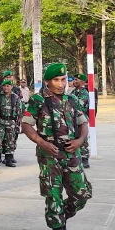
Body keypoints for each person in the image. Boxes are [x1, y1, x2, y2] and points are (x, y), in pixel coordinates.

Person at [22, 63, 92, 230]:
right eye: (56, 80)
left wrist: (80, 140)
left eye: (63, 80)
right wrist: (42, 143)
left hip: (72, 154)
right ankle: (57, 223)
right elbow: (26, 124)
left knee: (82, 195)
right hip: (49, 157)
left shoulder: (72, 99)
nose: (61, 84)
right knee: (53, 197)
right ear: (47, 82)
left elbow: (83, 123)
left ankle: (60, 216)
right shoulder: (37, 100)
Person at [0, 80, 22, 167]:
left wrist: (19, 120)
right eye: (4, 86)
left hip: (11, 122)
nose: (6, 88)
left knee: (10, 140)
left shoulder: (15, 97)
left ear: (11, 87)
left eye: (8, 86)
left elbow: (19, 109)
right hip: (0, 121)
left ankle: (8, 159)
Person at [71, 73, 91, 169]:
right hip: (73, 119)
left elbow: (79, 105)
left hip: (81, 119)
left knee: (83, 138)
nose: (74, 81)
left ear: (82, 82)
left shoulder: (84, 93)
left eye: (76, 80)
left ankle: (85, 158)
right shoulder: (73, 92)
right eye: (74, 80)